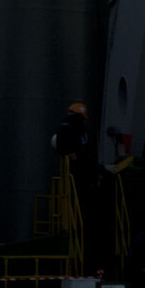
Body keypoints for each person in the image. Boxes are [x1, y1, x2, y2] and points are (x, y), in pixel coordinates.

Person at [52, 103, 95, 252]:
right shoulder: (72, 130)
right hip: (77, 175)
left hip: (79, 174)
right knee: (78, 204)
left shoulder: (72, 129)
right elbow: (72, 149)